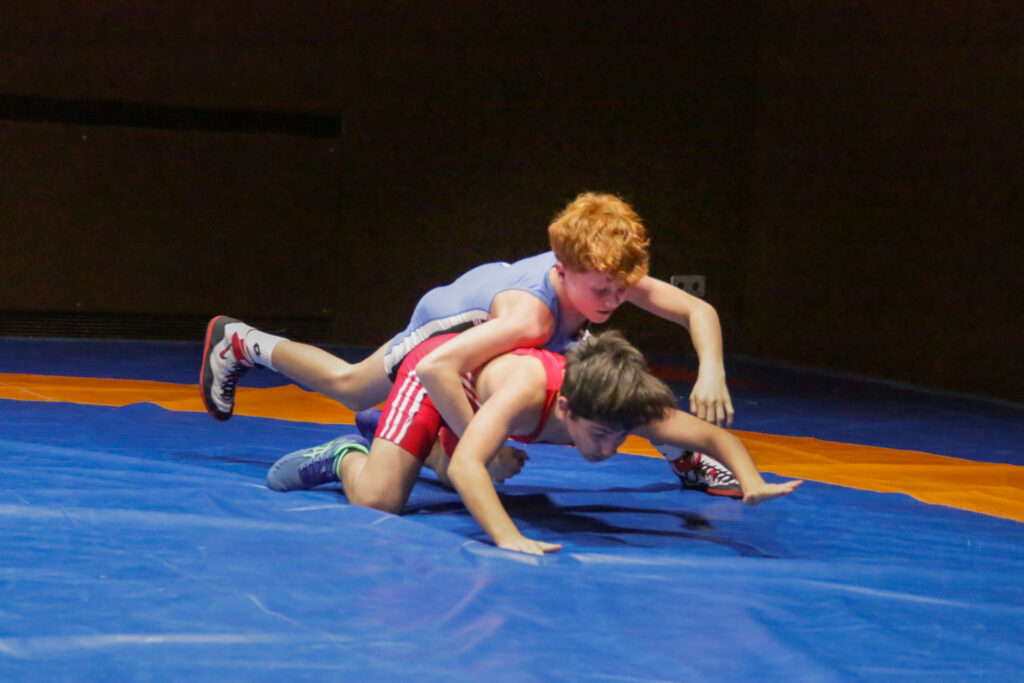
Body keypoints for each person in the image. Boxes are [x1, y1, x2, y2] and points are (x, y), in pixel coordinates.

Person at [200, 193, 736, 448]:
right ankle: (242, 342)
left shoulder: (606, 273)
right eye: (602, 290)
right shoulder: (527, 318)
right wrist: (488, 448)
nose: (615, 299)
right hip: (449, 324)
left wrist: (711, 368)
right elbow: (438, 363)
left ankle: (687, 457)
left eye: (622, 289)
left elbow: (698, 309)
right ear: (562, 271)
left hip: (503, 317)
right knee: (351, 386)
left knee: (606, 385)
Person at [266, 331, 801, 556]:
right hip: (438, 383)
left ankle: (390, 433)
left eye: (621, 435)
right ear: (565, 409)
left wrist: (750, 483)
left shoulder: (614, 402)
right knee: (381, 501)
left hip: (476, 412)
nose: (611, 449)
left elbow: (712, 435)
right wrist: (507, 536)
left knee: (491, 462)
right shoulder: (525, 393)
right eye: (599, 435)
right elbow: (471, 467)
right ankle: (348, 454)